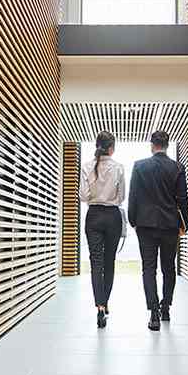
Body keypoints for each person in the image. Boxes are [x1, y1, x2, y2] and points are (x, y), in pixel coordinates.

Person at [128, 130, 188, 331]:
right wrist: (185, 223)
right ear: (167, 145)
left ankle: (153, 312)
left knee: (148, 269)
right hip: (170, 225)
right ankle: (166, 307)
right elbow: (182, 199)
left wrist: (133, 220)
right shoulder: (178, 168)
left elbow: (133, 195)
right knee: (168, 268)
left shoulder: (139, 166)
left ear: (152, 145)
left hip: (145, 225)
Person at [80, 131, 125, 329]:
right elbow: (121, 196)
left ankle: (99, 307)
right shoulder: (119, 168)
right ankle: (105, 302)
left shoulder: (87, 166)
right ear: (112, 148)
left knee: (96, 262)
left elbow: (83, 195)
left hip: (94, 216)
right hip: (113, 217)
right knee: (109, 261)